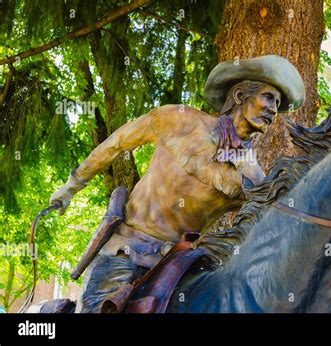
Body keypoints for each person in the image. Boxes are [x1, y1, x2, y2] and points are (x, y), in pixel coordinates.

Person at [49, 55, 305, 312]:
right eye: (269, 97)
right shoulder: (179, 120)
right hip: (125, 251)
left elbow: (274, 219)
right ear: (239, 95)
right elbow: (116, 143)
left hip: (178, 270)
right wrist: (71, 187)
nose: (274, 109)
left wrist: (249, 166)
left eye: (279, 103)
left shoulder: (250, 178)